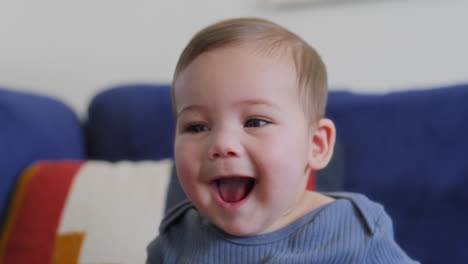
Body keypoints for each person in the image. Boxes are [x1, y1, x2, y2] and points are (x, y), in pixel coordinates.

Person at [146, 17, 418, 263]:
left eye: (255, 122)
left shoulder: (355, 232)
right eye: (196, 127)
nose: (222, 144)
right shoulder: (176, 238)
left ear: (316, 145)